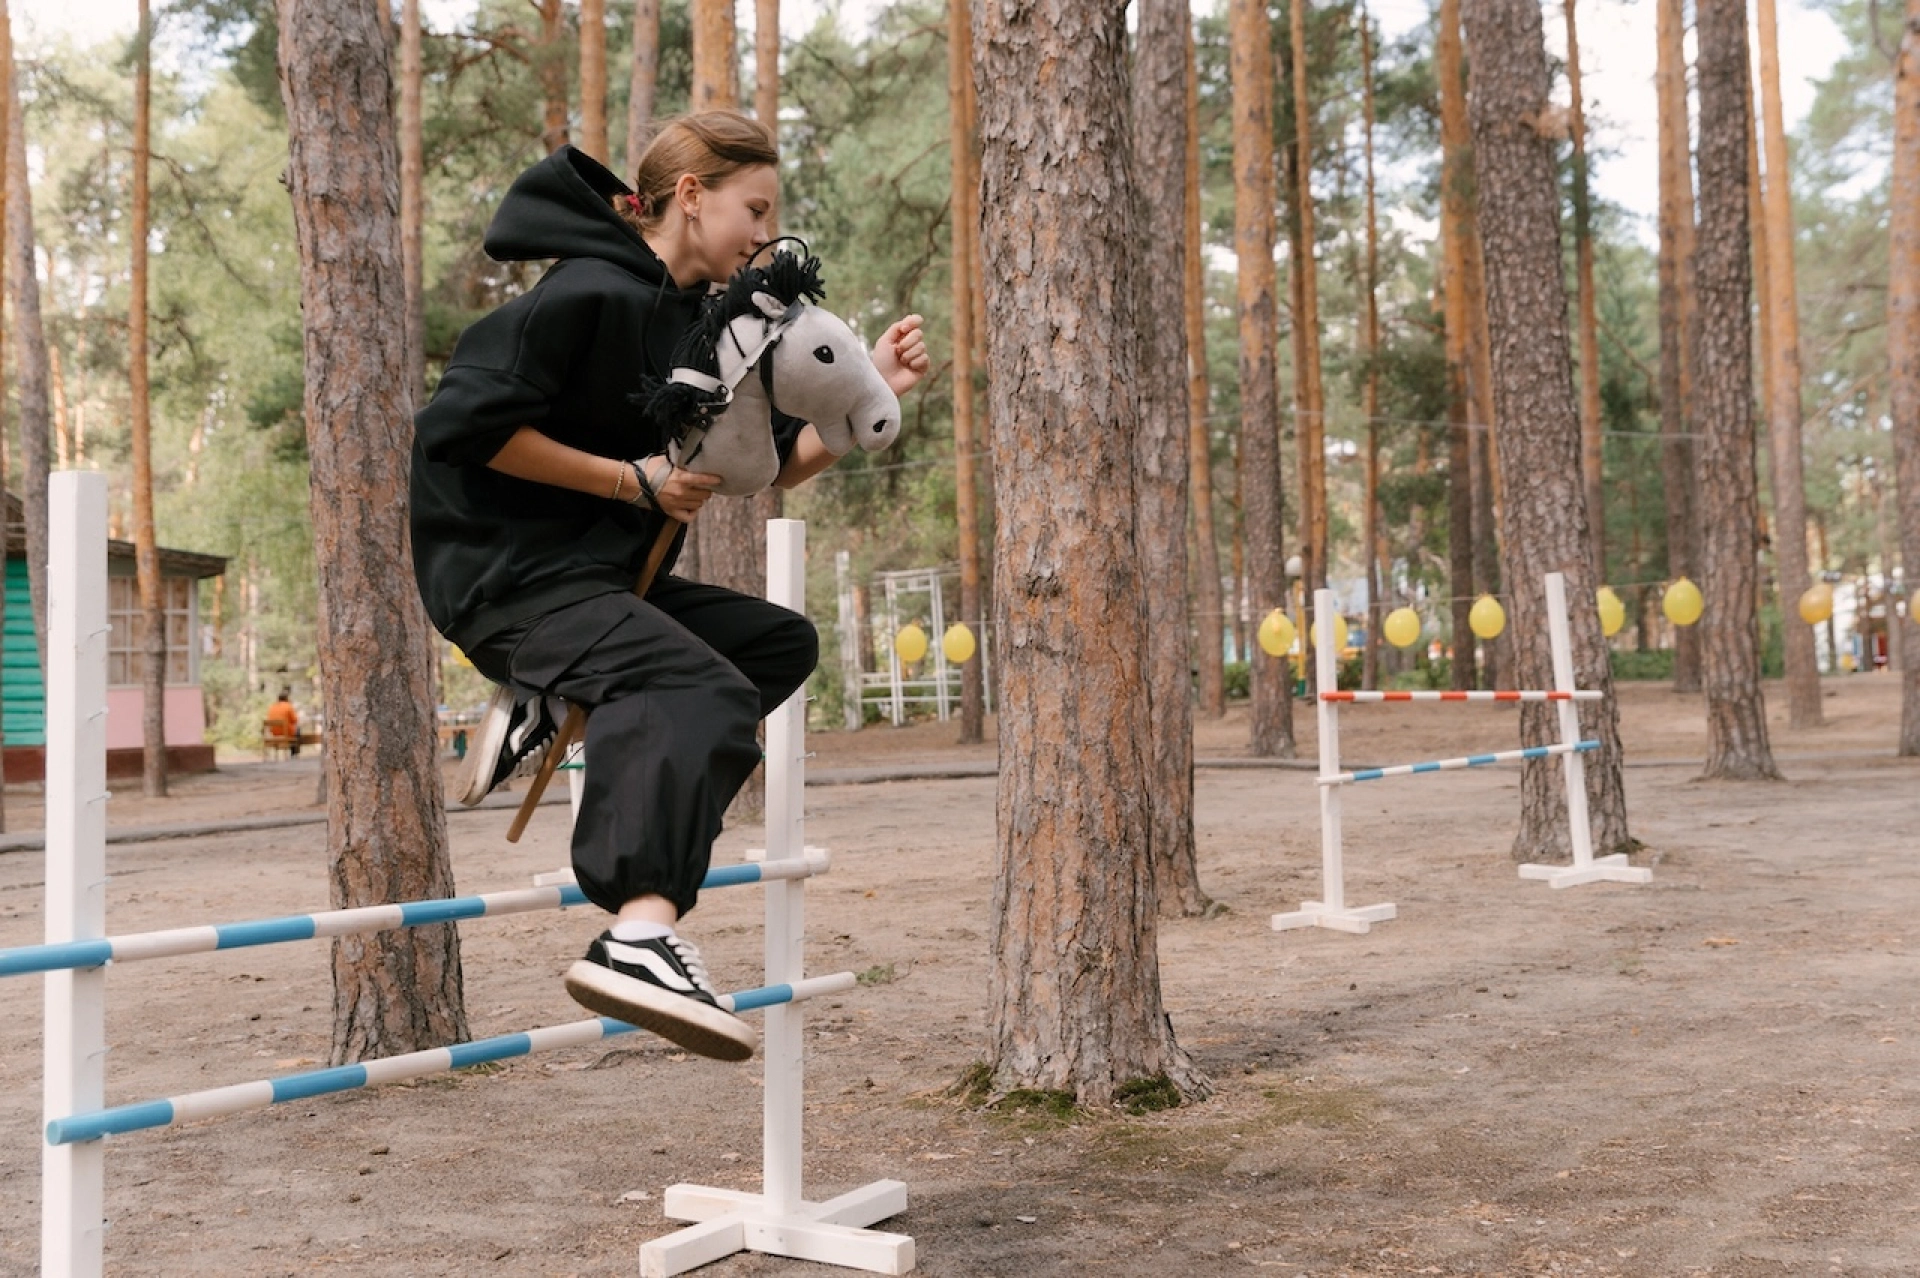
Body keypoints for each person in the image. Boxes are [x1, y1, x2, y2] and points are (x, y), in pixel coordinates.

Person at [409, 111, 928, 1062]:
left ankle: (554, 696)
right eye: (754, 210)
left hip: (598, 586)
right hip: (505, 574)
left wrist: (876, 393)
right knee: (698, 688)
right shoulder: (585, 293)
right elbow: (462, 431)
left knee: (775, 645)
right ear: (690, 196)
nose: (765, 238)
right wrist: (630, 480)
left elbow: (770, 468)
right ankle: (638, 934)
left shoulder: (709, 330)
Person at [265, 689, 300, 757]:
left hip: (274, 732)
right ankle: (294, 753)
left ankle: (293, 753)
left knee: (294, 730)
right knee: (298, 730)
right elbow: (295, 720)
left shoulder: (272, 707)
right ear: (287, 698)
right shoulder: (288, 706)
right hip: (286, 732)